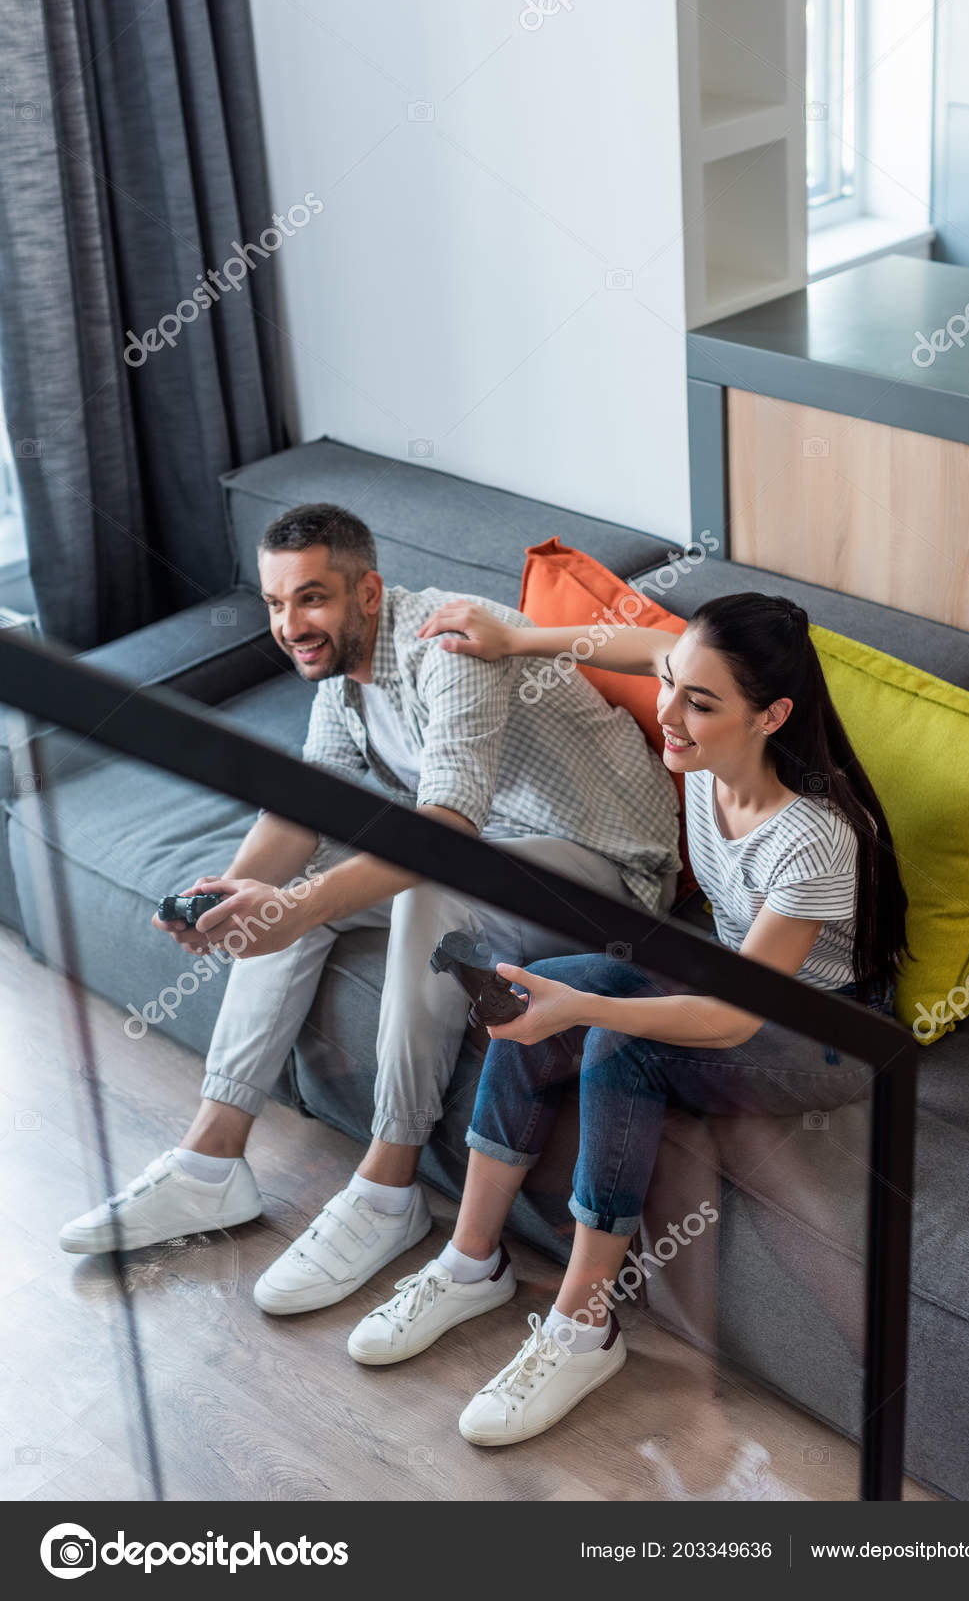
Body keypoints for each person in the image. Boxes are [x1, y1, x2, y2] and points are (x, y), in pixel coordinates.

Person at [59, 504, 680, 1323]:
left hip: (609, 875)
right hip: (502, 859)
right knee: (306, 886)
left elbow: (451, 831)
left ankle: (390, 1192)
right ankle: (210, 1162)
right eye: (276, 605)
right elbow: (307, 807)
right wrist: (235, 897)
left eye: (310, 599)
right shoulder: (342, 674)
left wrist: (297, 903)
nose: (290, 625)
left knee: (429, 879)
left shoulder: (448, 643)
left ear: (370, 593)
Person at [346, 590, 911, 1445]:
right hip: (731, 979)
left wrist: (591, 1008)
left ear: (773, 716)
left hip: (828, 1035)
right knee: (536, 984)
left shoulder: (816, 837)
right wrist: (514, 639)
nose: (668, 714)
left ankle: (583, 1325)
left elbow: (731, 1019)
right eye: (673, 686)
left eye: (698, 702)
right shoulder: (704, 741)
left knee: (616, 1034)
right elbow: (648, 647)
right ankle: (469, 1263)